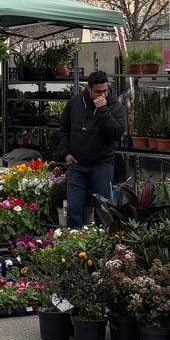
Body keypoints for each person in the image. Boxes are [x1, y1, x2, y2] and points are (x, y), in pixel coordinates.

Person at [57, 70, 126, 228]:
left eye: (105, 90)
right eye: (98, 91)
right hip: (77, 164)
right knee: (74, 208)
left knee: (102, 209)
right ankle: (74, 244)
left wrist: (103, 110)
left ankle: (102, 246)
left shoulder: (114, 105)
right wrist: (65, 153)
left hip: (102, 164)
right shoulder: (75, 102)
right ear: (89, 89)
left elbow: (116, 133)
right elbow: (64, 128)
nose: (102, 95)